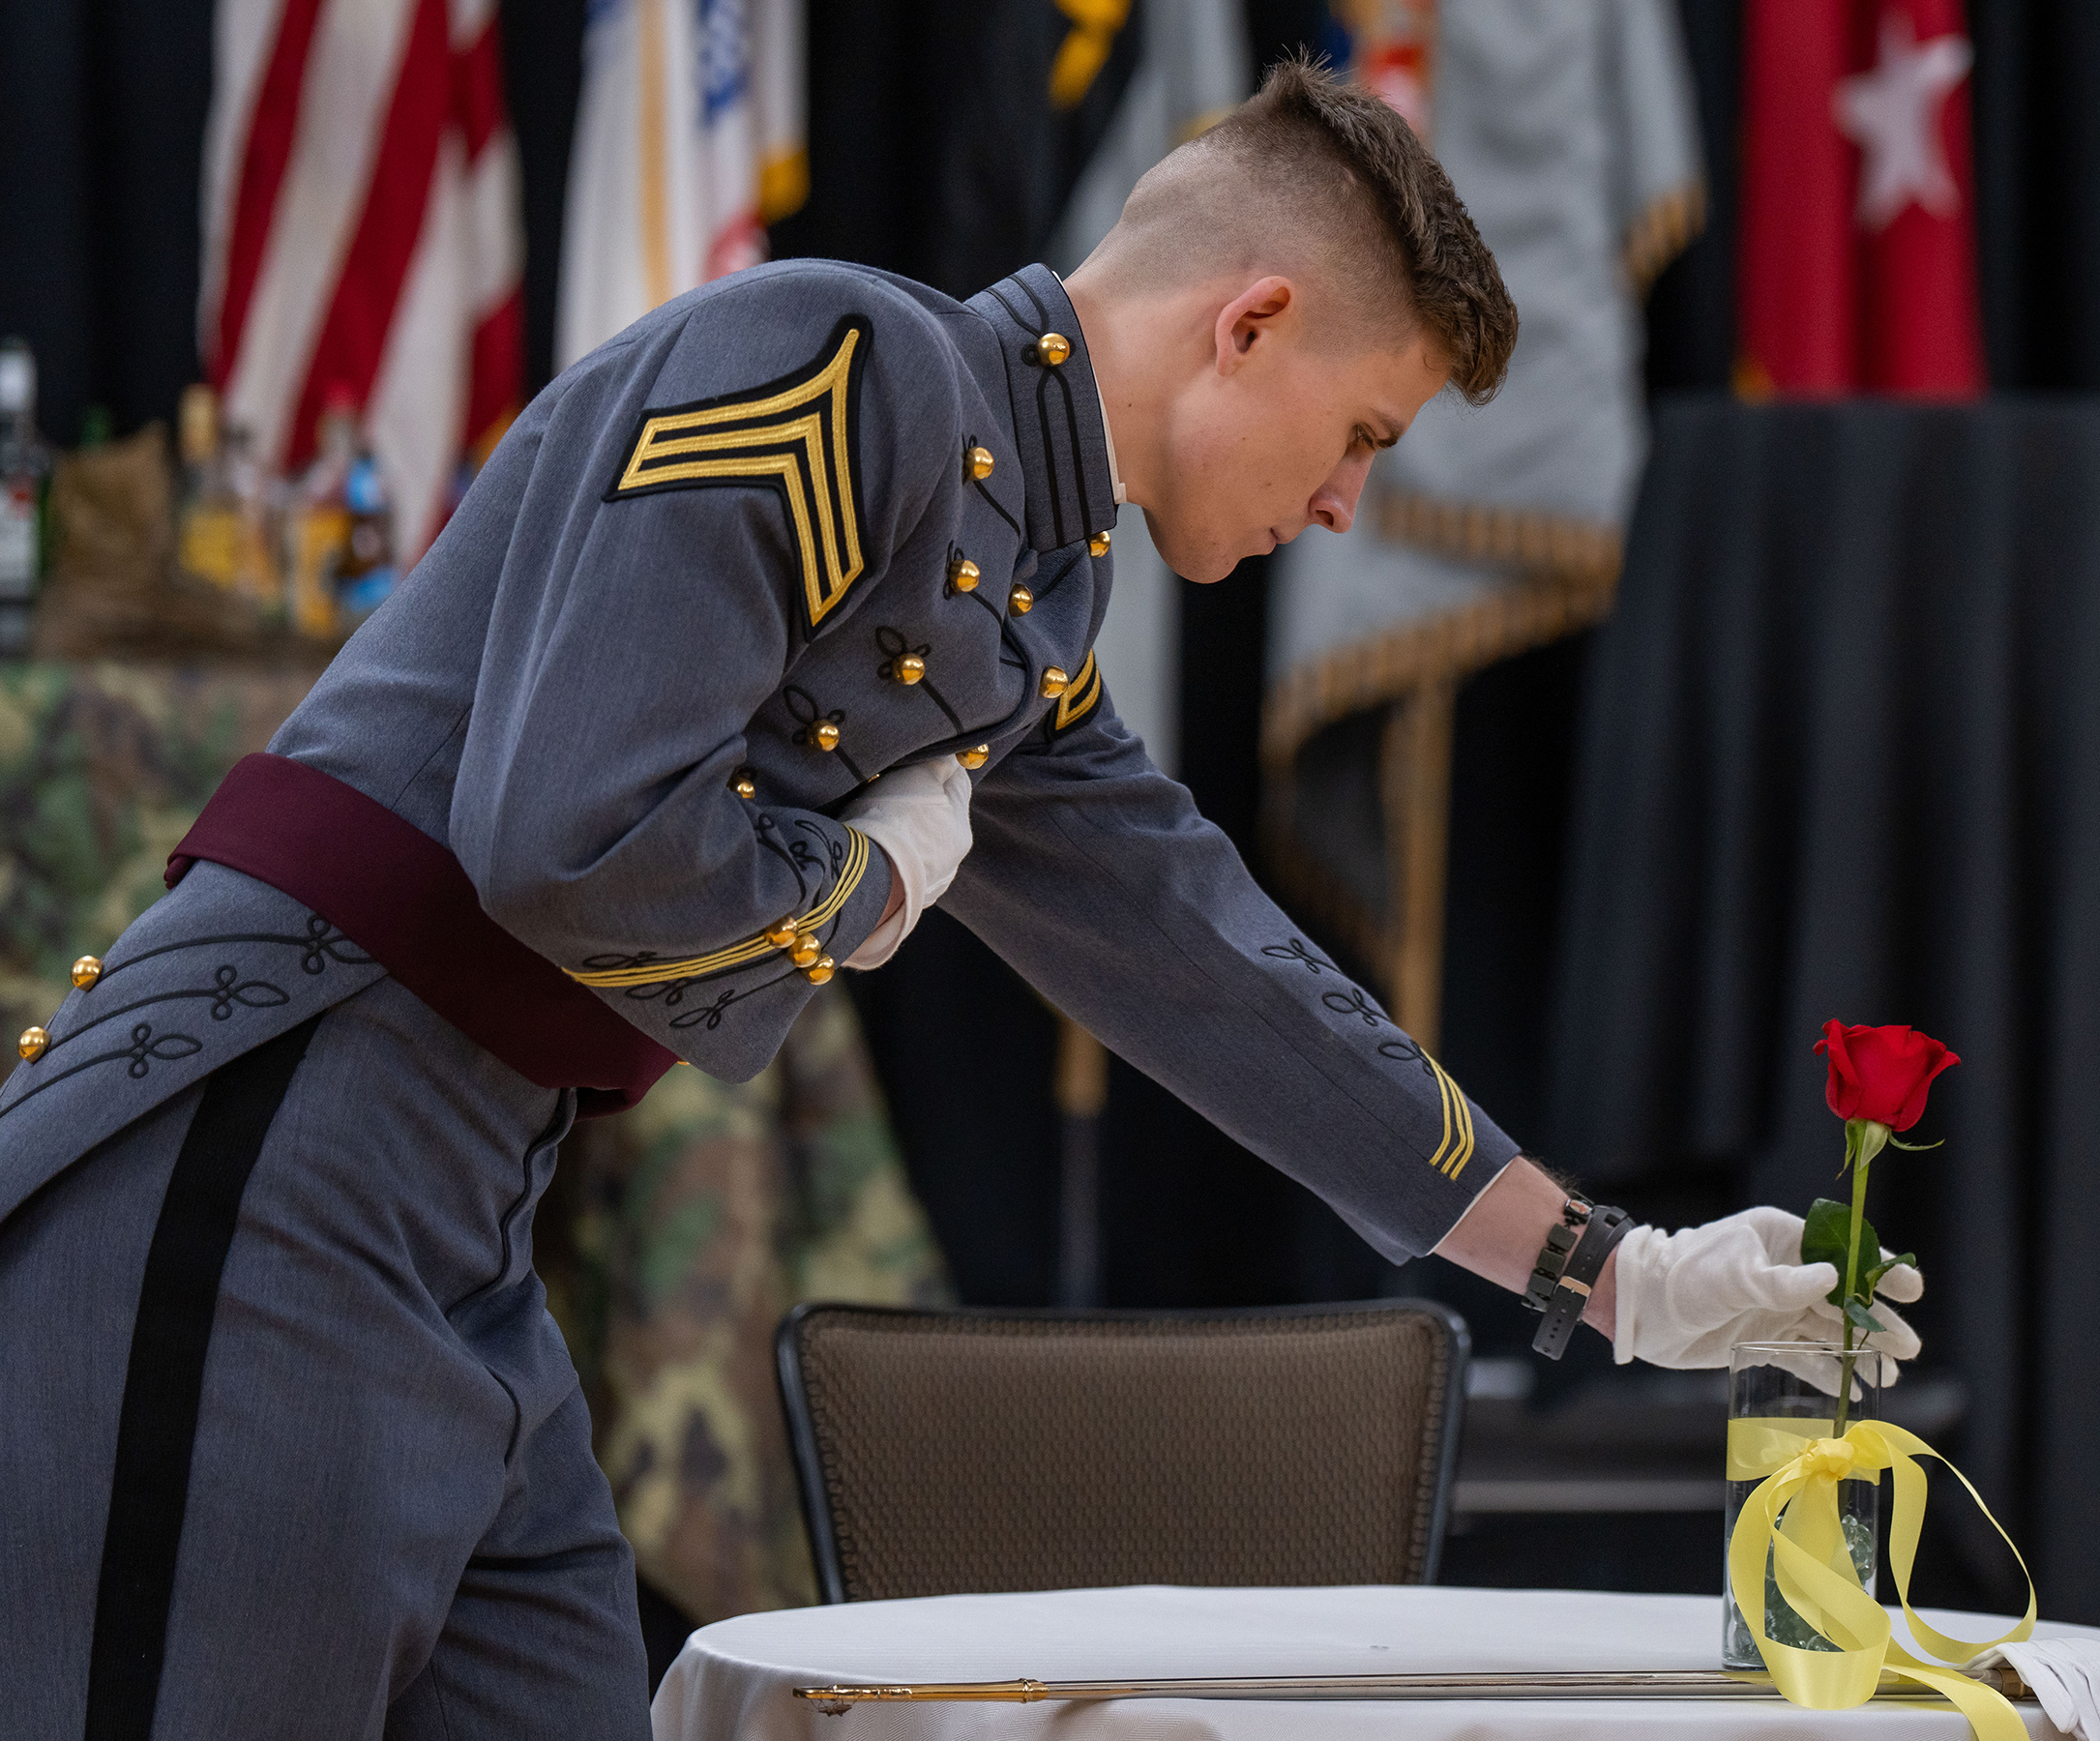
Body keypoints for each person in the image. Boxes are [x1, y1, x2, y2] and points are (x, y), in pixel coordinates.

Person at [0, 60, 1917, 1741]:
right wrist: (865, 889)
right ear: (1247, 324)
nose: (1345, 508)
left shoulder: (1021, 595)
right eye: (1363, 436)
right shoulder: (844, 364)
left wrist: (1612, 1271)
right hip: (262, 1156)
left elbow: (1225, 978)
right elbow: (560, 844)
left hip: (462, 1222)